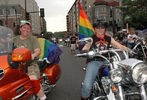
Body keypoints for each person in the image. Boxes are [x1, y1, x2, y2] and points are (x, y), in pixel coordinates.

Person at [81, 21, 130, 100]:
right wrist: (85, 51)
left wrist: (130, 50)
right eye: (98, 28)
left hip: (107, 61)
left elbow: (119, 46)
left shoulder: (108, 38)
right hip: (94, 62)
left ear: (105, 29)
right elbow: (86, 47)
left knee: (121, 77)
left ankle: (123, 93)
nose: (100, 29)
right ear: (95, 29)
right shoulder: (91, 38)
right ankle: (84, 97)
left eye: (102, 28)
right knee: (87, 85)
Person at [13, 21, 47, 100]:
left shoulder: (33, 39)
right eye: (24, 27)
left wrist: (33, 55)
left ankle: (43, 98)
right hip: (16, 65)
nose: (26, 29)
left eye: (28, 28)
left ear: (30, 30)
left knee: (33, 79)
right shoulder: (14, 39)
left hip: (30, 64)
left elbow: (38, 51)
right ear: (20, 29)